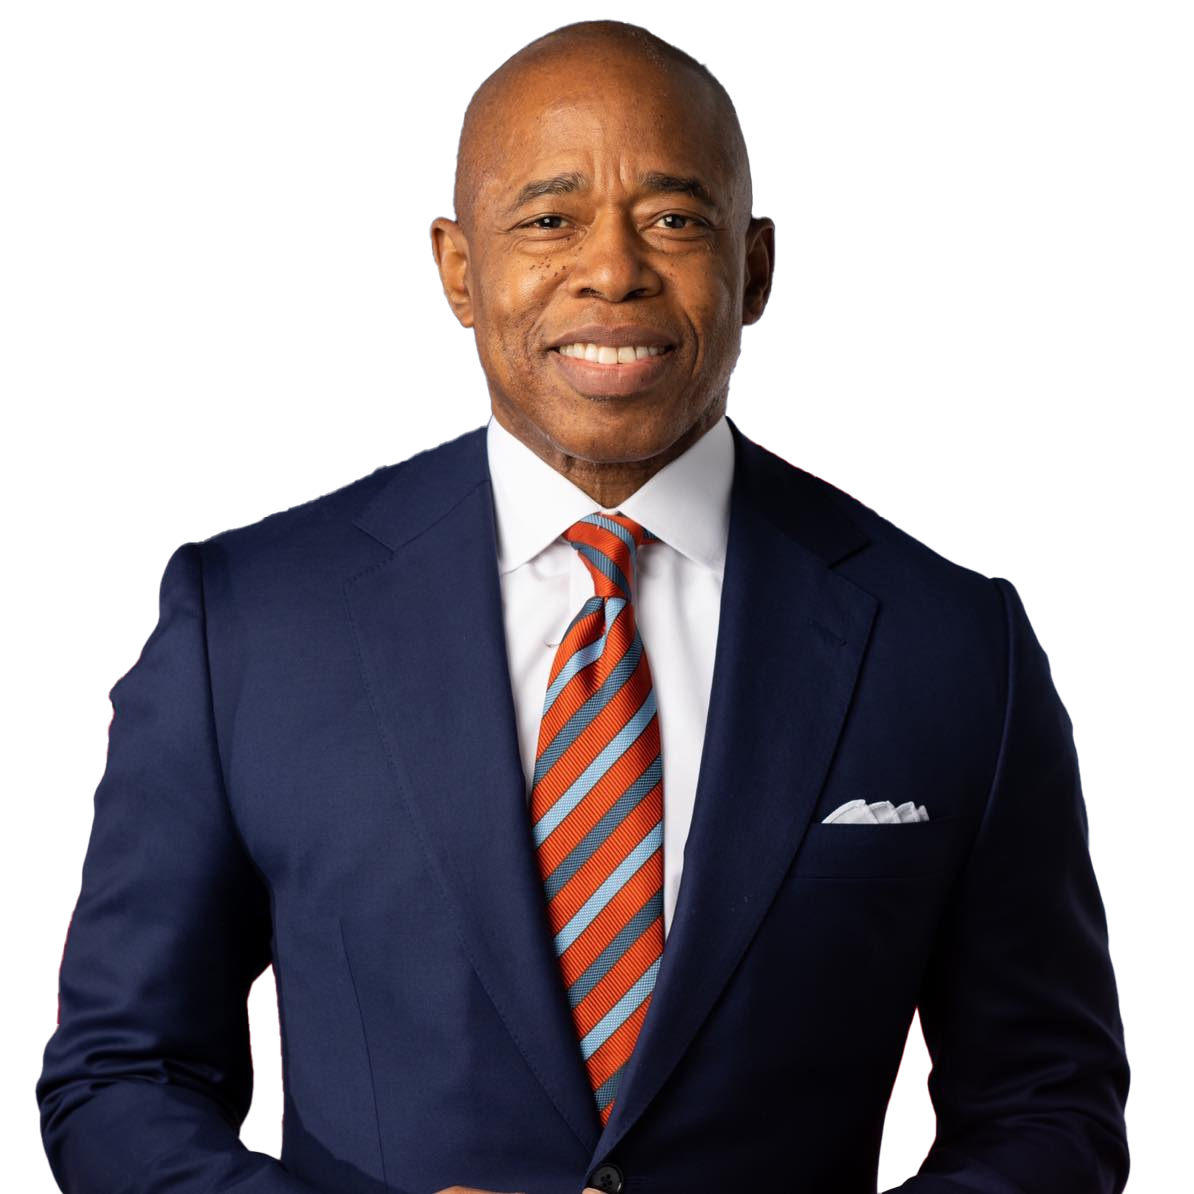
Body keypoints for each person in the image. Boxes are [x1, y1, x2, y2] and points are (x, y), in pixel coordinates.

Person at [35, 19, 1131, 1194]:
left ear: (753, 269)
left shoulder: (951, 643)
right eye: (550, 219)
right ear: (459, 271)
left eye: (673, 218)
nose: (613, 270)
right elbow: (119, 1075)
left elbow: (1047, 1103)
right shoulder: (248, 623)